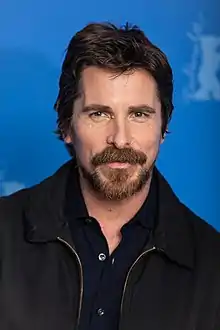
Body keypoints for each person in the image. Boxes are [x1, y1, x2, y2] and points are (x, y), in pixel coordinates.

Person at [0, 22, 219, 330]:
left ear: (163, 128)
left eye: (139, 114)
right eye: (99, 114)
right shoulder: (5, 231)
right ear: (67, 126)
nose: (120, 138)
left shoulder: (212, 264)